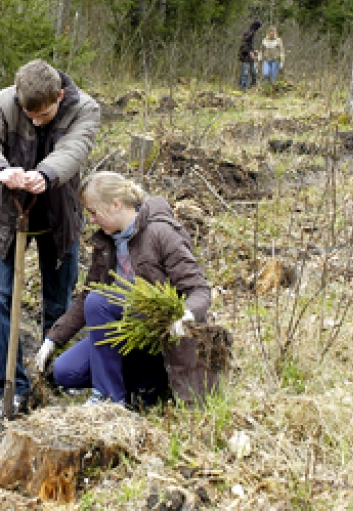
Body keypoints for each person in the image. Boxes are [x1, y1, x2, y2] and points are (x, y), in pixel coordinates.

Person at [0, 59, 100, 414]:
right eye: (29, 115)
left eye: (43, 115)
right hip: (10, 215)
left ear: (60, 95)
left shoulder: (84, 109)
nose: (35, 121)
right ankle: (9, 384)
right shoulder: (2, 102)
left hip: (59, 217)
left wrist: (46, 173)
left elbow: (74, 149)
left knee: (58, 301)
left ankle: (53, 375)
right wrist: (1, 169)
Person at [34, 172, 218, 407]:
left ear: (115, 205)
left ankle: (109, 398)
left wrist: (186, 315)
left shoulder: (160, 233)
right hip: (123, 333)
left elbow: (199, 290)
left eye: (93, 212)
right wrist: (53, 339)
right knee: (66, 371)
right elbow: (87, 296)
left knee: (98, 303)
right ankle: (142, 385)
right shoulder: (106, 242)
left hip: (159, 333)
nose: (91, 220)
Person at [238, 20, 262, 90]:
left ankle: (253, 86)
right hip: (245, 56)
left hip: (249, 56)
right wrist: (250, 52)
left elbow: (250, 45)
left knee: (254, 72)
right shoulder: (249, 33)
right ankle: (243, 87)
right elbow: (245, 45)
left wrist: (254, 51)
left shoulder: (252, 33)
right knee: (245, 72)